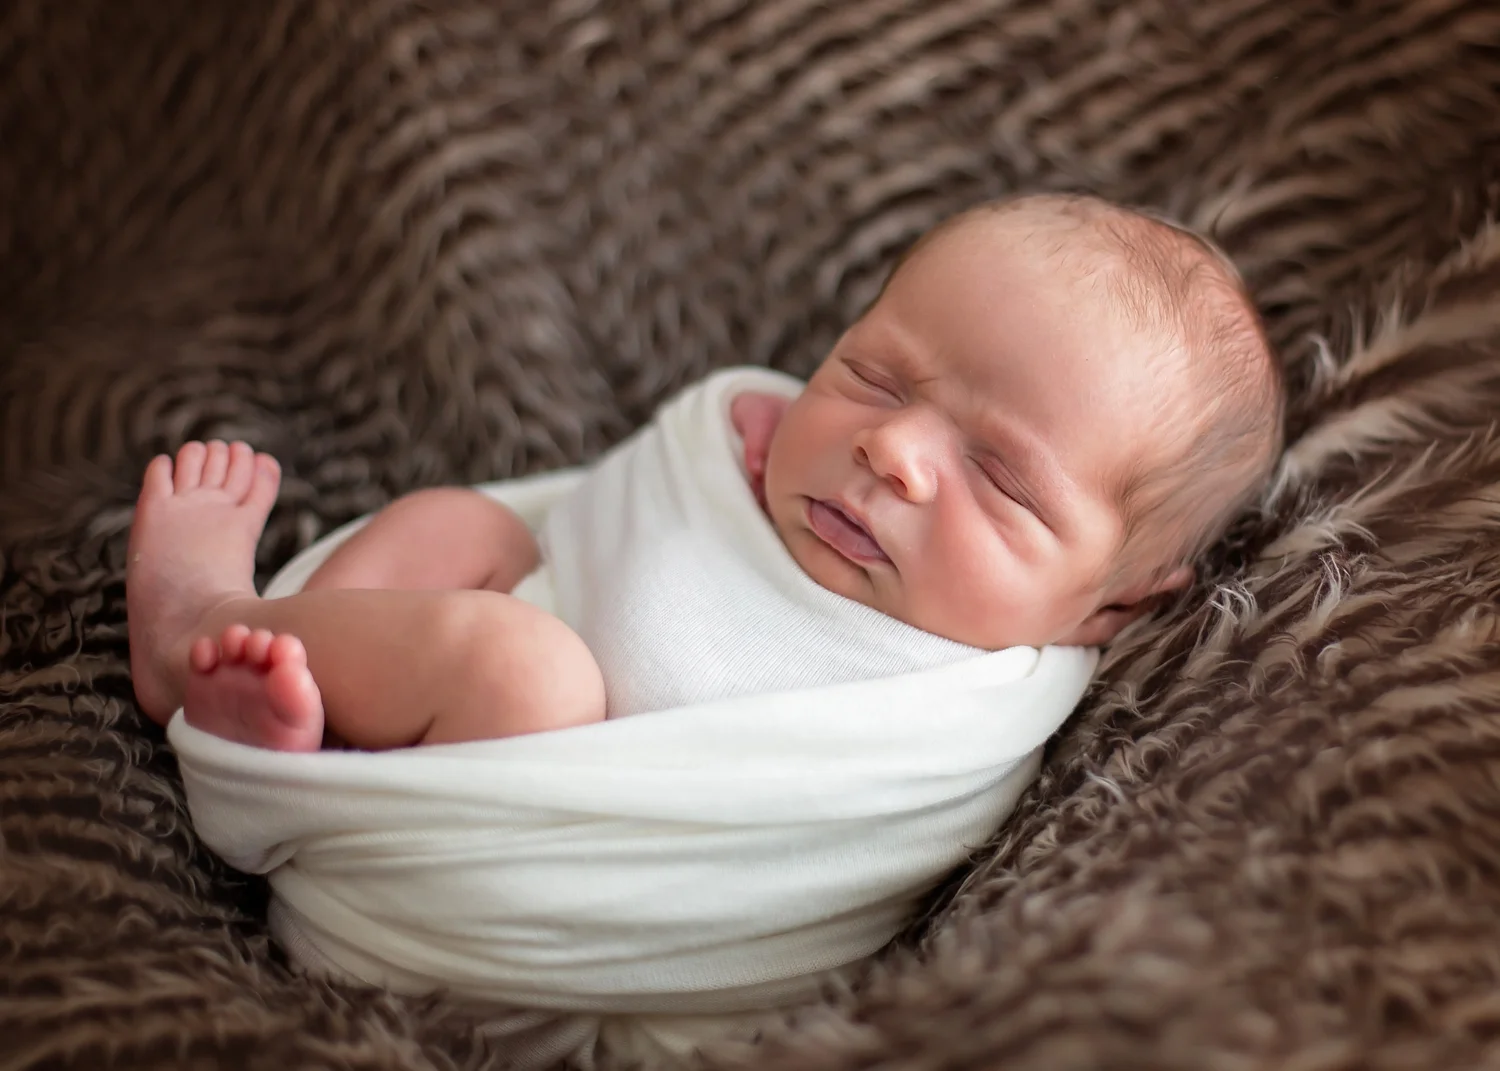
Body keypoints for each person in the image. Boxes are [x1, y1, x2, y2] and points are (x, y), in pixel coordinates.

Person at [124, 192, 1283, 752]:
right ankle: (255, 653)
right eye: (876, 378)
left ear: (1115, 603)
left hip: (548, 870)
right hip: (473, 675)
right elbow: (606, 515)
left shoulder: (978, 706)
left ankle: (223, 658)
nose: (895, 452)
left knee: (527, 675)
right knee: (458, 526)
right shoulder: (752, 451)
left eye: (1003, 480)